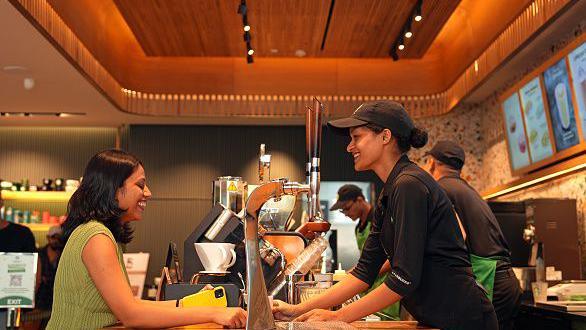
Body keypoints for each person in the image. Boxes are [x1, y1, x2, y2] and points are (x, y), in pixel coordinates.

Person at [273, 100, 497, 329]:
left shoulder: (410, 185)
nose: (350, 147)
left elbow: (404, 278)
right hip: (438, 319)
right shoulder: (388, 193)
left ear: (385, 136)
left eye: (357, 137)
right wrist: (299, 309)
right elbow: (364, 272)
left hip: (466, 319)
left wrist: (335, 317)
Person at [47, 149, 247, 329]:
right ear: (113, 188)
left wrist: (197, 303)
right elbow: (132, 315)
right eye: (140, 185)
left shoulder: (100, 234)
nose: (148, 193)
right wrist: (214, 313)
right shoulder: (96, 236)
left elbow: (132, 305)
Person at [424, 140, 522, 330]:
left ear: (432, 162)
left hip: (491, 280)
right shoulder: (467, 190)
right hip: (505, 280)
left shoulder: (441, 189)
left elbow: (458, 236)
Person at [329, 184, 399, 320]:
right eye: (343, 211)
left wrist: (367, 272)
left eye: (347, 208)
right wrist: (347, 276)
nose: (347, 214)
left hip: (385, 288)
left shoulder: (380, 221)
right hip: (367, 287)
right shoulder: (359, 227)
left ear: (360, 200)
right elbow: (367, 261)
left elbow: (394, 258)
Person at [36, 226, 64, 311]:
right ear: (48, 238)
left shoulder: (65, 254)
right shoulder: (40, 254)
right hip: (41, 301)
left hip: (60, 300)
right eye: (53, 237)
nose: (56, 241)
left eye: (59, 238)